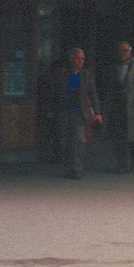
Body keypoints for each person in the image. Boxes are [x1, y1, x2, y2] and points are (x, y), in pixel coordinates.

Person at [45, 49, 101, 179]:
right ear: (72, 59)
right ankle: (67, 166)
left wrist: (97, 112)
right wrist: (51, 109)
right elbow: (54, 93)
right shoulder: (62, 75)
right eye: (78, 58)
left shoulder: (87, 76)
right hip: (64, 111)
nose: (80, 61)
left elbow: (93, 95)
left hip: (80, 113)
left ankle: (77, 168)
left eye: (82, 59)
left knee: (79, 140)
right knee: (64, 140)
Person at [105, 41, 134, 173]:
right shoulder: (114, 67)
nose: (123, 54)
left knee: (133, 137)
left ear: (130, 51)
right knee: (119, 137)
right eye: (120, 51)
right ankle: (122, 164)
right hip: (118, 107)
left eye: (125, 51)